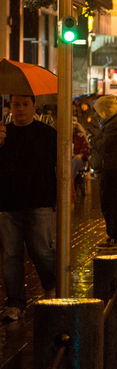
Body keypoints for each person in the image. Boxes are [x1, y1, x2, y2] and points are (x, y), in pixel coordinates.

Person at [0, 94, 58, 321]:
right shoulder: (4, 133)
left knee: (42, 250)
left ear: (34, 107)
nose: (21, 109)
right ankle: (15, 302)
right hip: (7, 203)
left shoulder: (47, 134)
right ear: (10, 107)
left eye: (25, 104)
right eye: (16, 104)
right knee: (10, 255)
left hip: (39, 202)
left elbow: (59, 165)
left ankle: (51, 286)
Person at [92, 95, 117, 246]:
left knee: (111, 204)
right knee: (110, 204)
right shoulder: (114, 121)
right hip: (110, 168)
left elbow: (104, 144)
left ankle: (116, 237)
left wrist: (91, 140)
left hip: (112, 169)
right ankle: (113, 235)